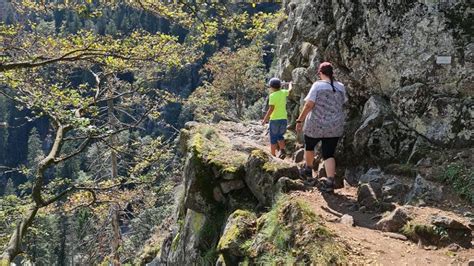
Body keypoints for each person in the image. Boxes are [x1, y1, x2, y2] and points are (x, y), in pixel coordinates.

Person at [296, 62, 347, 192]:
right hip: (334, 126)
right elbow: (343, 103)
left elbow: (309, 105)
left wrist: (299, 120)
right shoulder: (341, 87)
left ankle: (308, 170)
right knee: (329, 153)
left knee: (310, 146)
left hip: (316, 124)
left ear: (320, 73)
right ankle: (330, 181)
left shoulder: (317, 85)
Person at [262, 78, 292, 159]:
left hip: (274, 120)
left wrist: (265, 119)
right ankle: (282, 150)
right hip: (283, 119)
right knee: (280, 136)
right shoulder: (283, 92)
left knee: (273, 138)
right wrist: (290, 84)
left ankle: (273, 155)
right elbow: (289, 90)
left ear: (272, 87)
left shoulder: (272, 96)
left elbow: (271, 109)